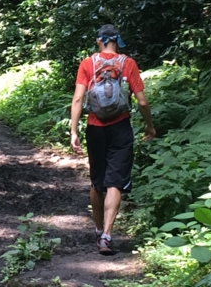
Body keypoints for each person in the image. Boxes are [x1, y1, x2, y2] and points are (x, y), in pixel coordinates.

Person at [70, 24, 156, 255]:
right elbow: (142, 102)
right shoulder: (128, 63)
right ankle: (107, 236)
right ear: (118, 40)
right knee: (115, 182)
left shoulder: (87, 64)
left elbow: (78, 99)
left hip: (95, 127)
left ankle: (98, 231)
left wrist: (74, 131)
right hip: (121, 126)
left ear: (99, 40)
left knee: (97, 181)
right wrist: (149, 125)